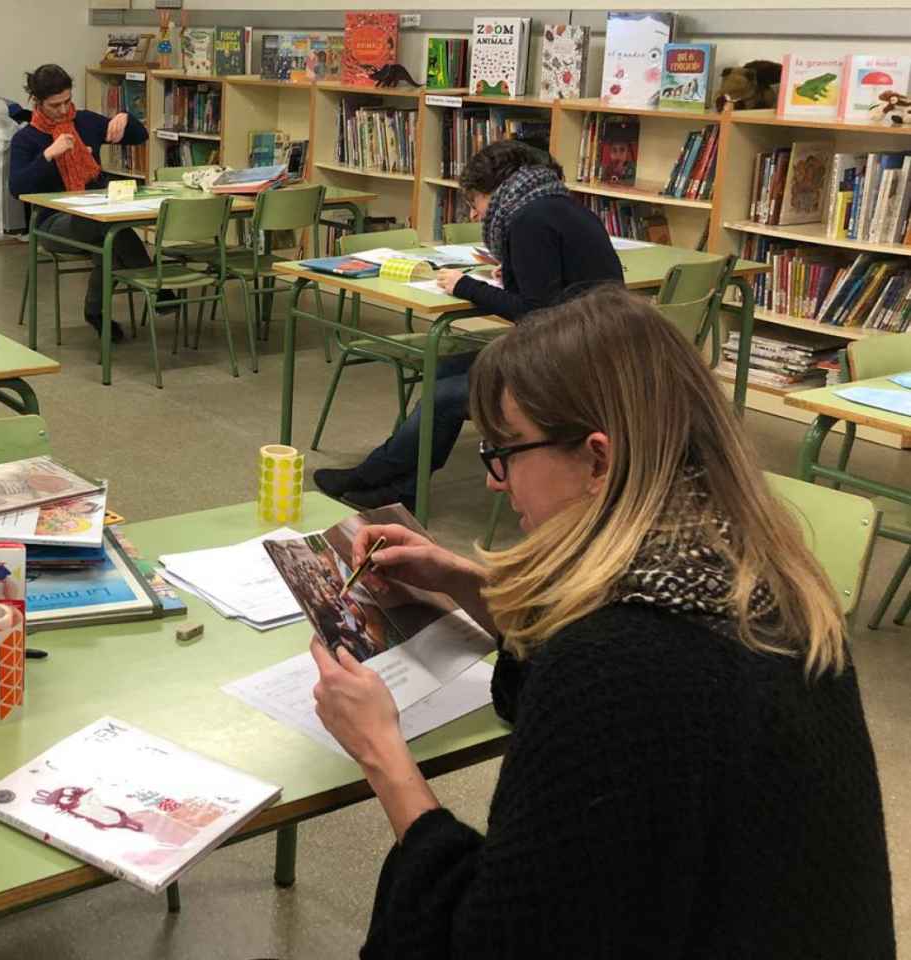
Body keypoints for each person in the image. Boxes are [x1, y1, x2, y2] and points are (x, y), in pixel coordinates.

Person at [308, 286, 893, 958]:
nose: (496, 483)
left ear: (597, 459)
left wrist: (382, 752)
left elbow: (493, 943)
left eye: (505, 454)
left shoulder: (617, 664)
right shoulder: (766, 582)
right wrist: (459, 579)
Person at [315, 139, 624, 510]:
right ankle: (402, 486)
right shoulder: (560, 207)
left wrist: (465, 286)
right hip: (595, 352)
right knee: (446, 367)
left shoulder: (528, 221)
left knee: (446, 396)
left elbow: (535, 312)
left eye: (475, 201)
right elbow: (558, 288)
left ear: (496, 191)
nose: (475, 214)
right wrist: (513, 271)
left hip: (568, 368)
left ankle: (377, 475)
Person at [8, 63, 168, 342]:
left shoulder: (84, 121)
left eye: (67, 101)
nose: (62, 109)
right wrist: (48, 156)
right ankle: (154, 284)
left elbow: (138, 136)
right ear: (37, 102)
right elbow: (17, 188)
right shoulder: (26, 138)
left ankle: (96, 312)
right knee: (109, 231)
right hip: (52, 222)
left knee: (107, 237)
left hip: (96, 214)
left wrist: (124, 118)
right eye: (54, 104)